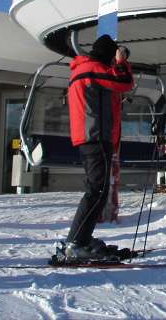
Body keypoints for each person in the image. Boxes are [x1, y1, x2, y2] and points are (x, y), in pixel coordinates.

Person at [59, 34, 133, 262]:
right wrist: (121, 62)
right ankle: (75, 243)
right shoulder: (92, 68)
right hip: (95, 136)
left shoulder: (82, 69)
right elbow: (124, 82)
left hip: (89, 136)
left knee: (97, 190)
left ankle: (81, 239)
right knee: (97, 191)